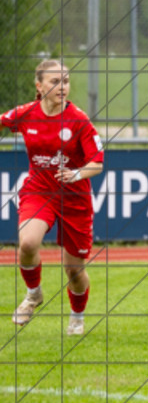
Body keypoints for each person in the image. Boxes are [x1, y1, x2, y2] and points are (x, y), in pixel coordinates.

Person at [1, 60, 105, 335]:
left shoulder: (78, 120)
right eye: (55, 82)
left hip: (75, 200)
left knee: (74, 271)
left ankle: (77, 317)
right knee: (28, 242)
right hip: (39, 191)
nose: (62, 87)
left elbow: (97, 163)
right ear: (39, 85)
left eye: (65, 81)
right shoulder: (26, 113)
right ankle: (33, 294)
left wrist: (77, 174)